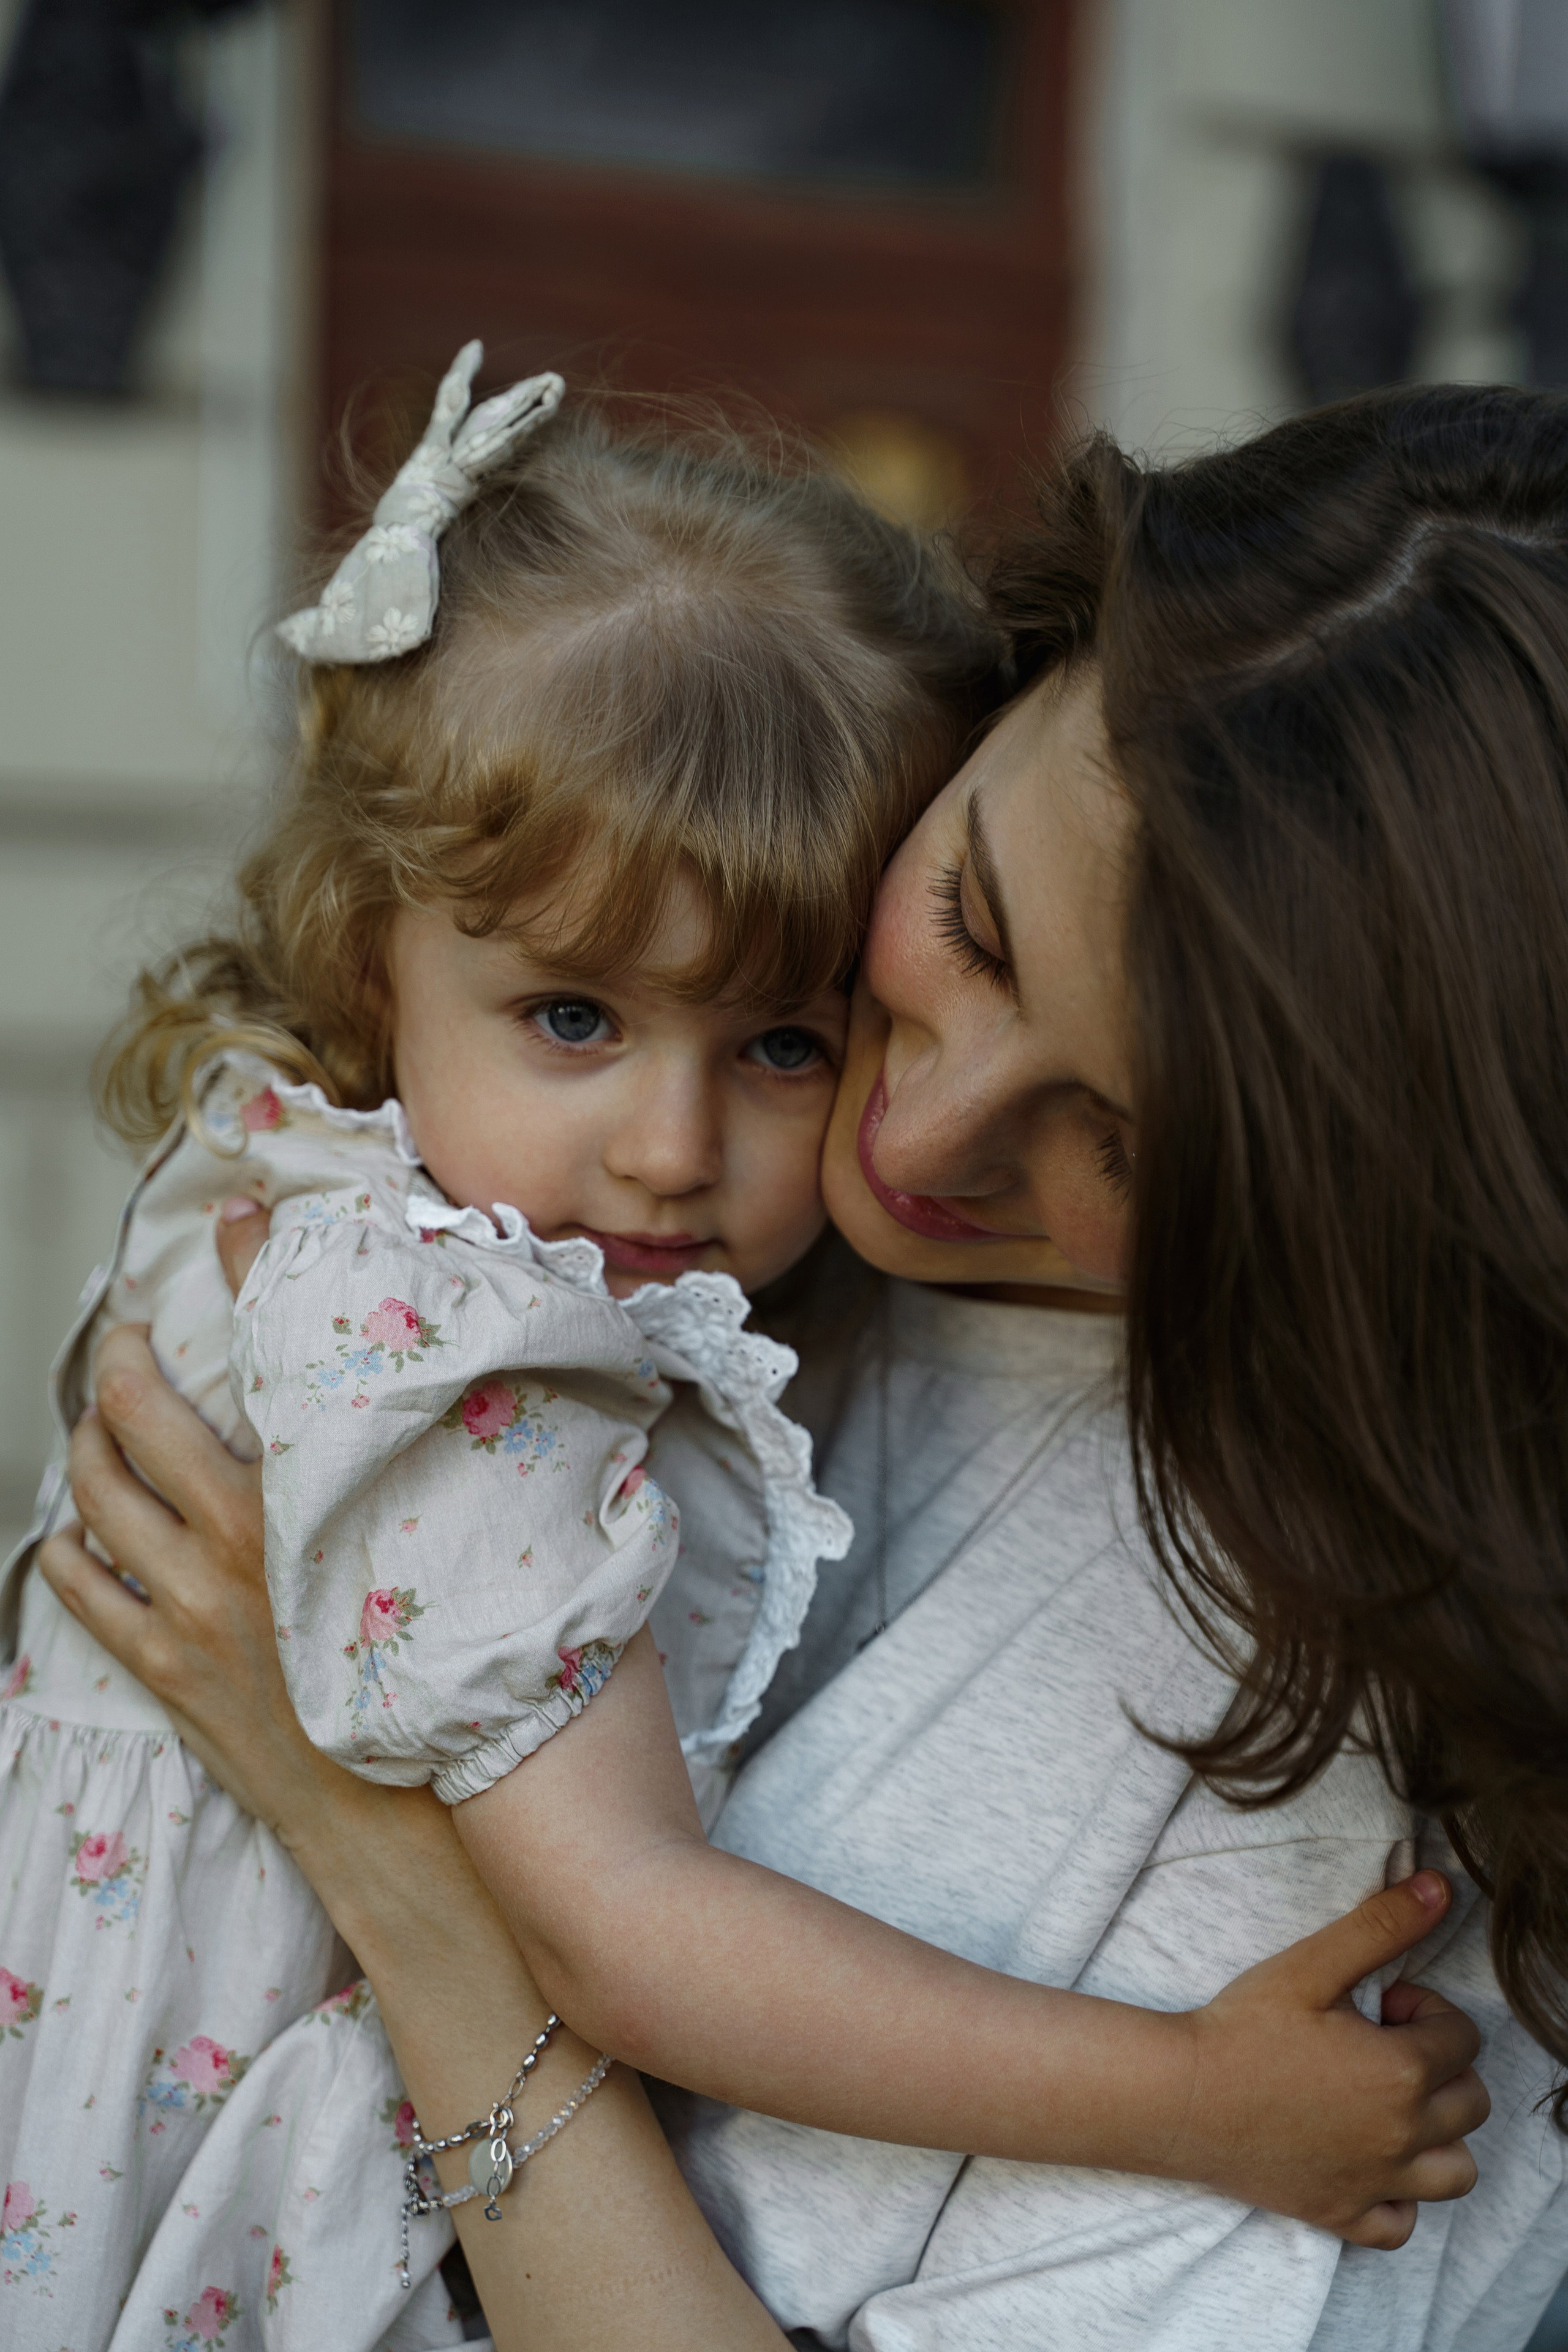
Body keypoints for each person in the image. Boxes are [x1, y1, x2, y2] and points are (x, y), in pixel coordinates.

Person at [28, 381, 1566, 2350]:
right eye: (965, 929)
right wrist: (1185, 2095)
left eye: (1126, 1136)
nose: (904, 1148)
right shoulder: (487, 1303)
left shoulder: (1366, 1777)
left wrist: (387, 1860)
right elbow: (621, 1916)